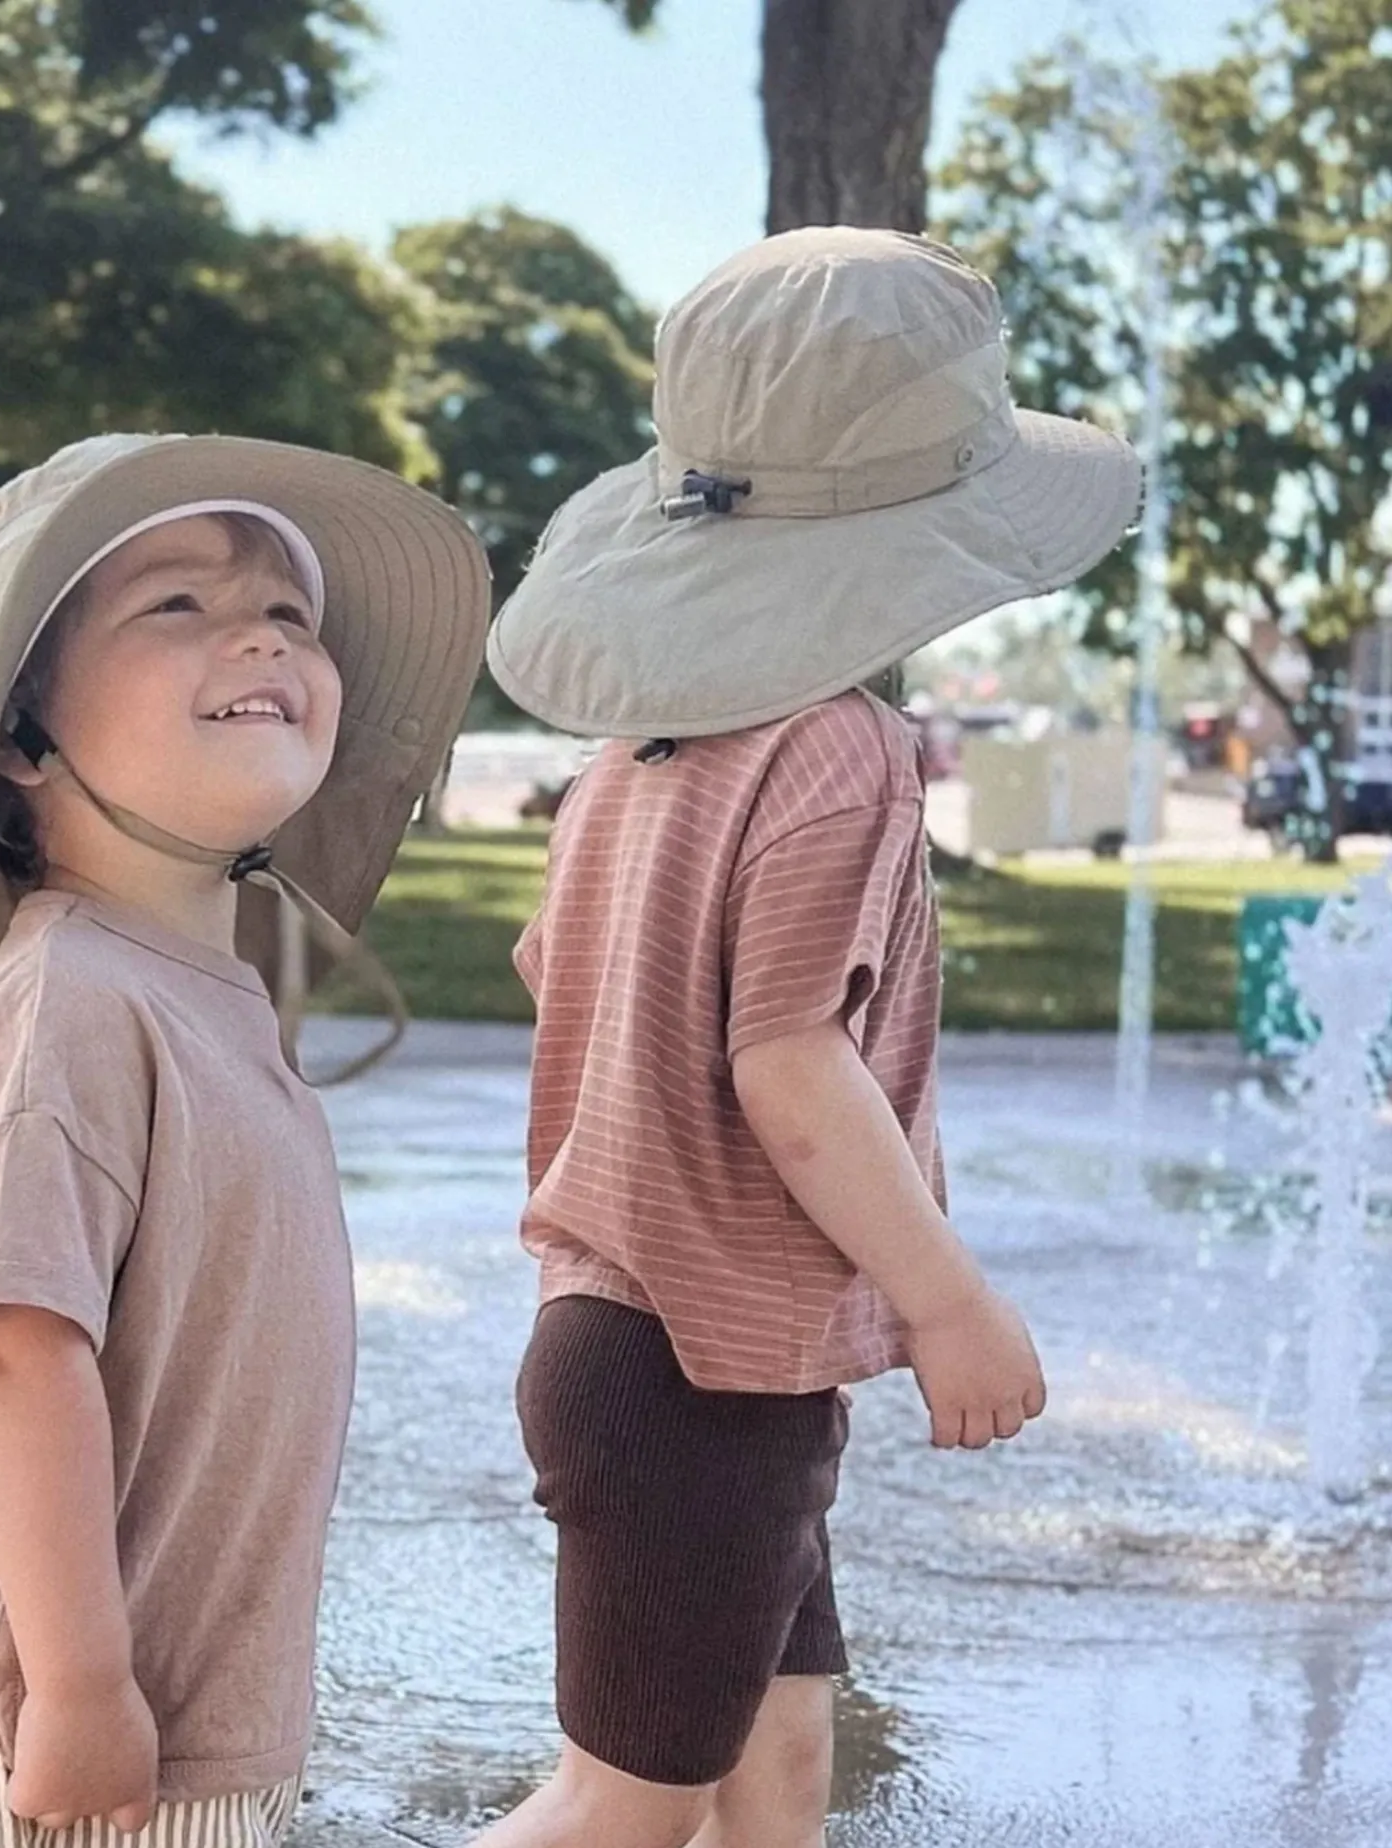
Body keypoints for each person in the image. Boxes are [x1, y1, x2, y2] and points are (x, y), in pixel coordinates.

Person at [476, 229, 1144, 1848]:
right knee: (619, 1809)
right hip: (696, 1373)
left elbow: (552, 971)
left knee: (775, 1769)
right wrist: (949, 1300)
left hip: (655, 1348)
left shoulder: (637, 760)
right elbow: (788, 1064)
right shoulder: (841, 750)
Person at [0, 433, 489, 1848]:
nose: (262, 634)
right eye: (180, 602)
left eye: (289, 612)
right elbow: (18, 1354)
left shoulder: (201, 991)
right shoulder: (66, 1001)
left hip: (191, 1718)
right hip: (68, 1742)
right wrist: (83, 1689)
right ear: (24, 740)